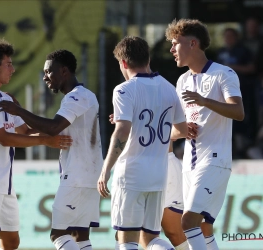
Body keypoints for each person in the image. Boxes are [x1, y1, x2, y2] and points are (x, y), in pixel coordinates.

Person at [0, 38, 71, 250]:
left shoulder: (5, 98)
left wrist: (61, 127)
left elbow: (25, 130)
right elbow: (4, 138)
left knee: (12, 241)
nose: (13, 69)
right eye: (9, 64)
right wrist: (45, 140)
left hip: (5, 183)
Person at [0, 49, 103, 250]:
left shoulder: (75, 97)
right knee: (79, 236)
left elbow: (53, 128)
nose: (45, 77)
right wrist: (20, 113)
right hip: (89, 174)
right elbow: (38, 128)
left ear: (64, 71)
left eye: (49, 72)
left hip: (77, 176)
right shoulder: (85, 96)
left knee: (58, 234)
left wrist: (18, 110)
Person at [97, 36, 187, 250]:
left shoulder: (124, 89)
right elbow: (182, 130)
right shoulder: (168, 87)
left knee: (125, 240)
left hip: (131, 174)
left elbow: (122, 131)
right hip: (158, 174)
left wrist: (105, 169)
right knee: (151, 239)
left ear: (124, 63)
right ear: (147, 58)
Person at [165, 19, 244, 250]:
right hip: (188, 164)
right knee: (202, 228)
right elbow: (176, 128)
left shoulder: (223, 74)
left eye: (175, 44)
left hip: (214, 162)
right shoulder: (182, 81)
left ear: (192, 43)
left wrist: (205, 101)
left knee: (188, 222)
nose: (171, 50)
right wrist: (179, 130)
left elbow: (238, 112)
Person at [216, 27, 255, 158]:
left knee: (240, 120)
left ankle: (241, 150)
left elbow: (252, 68)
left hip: (243, 91)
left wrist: (233, 68)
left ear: (236, 37)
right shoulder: (221, 52)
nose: (228, 39)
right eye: (226, 36)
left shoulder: (243, 51)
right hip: (222, 93)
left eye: (231, 36)